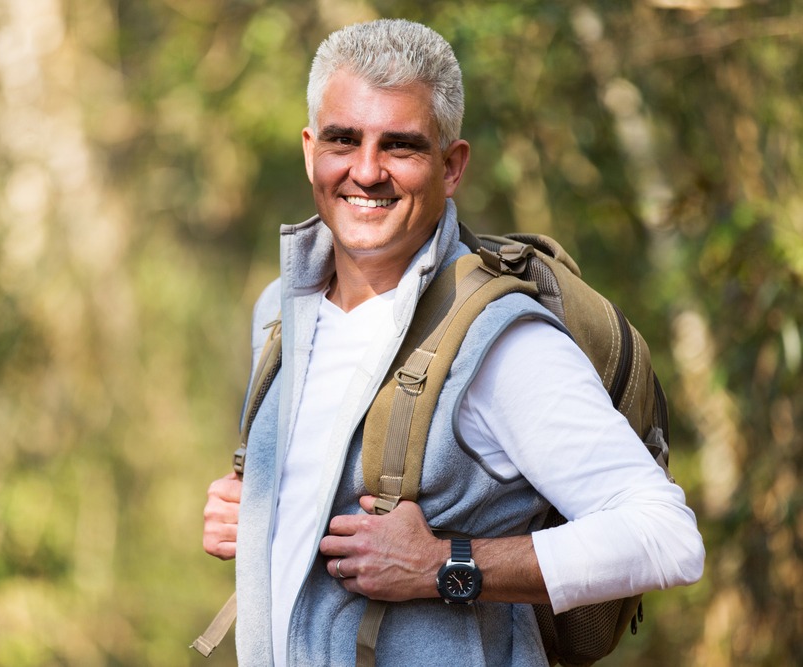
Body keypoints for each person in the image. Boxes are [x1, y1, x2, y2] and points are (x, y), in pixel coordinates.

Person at [202, 18, 704, 667]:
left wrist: (443, 562)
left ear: (452, 164)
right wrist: (259, 512)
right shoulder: (280, 311)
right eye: (343, 139)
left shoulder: (500, 344)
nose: (366, 170)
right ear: (309, 149)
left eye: (401, 146)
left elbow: (665, 536)